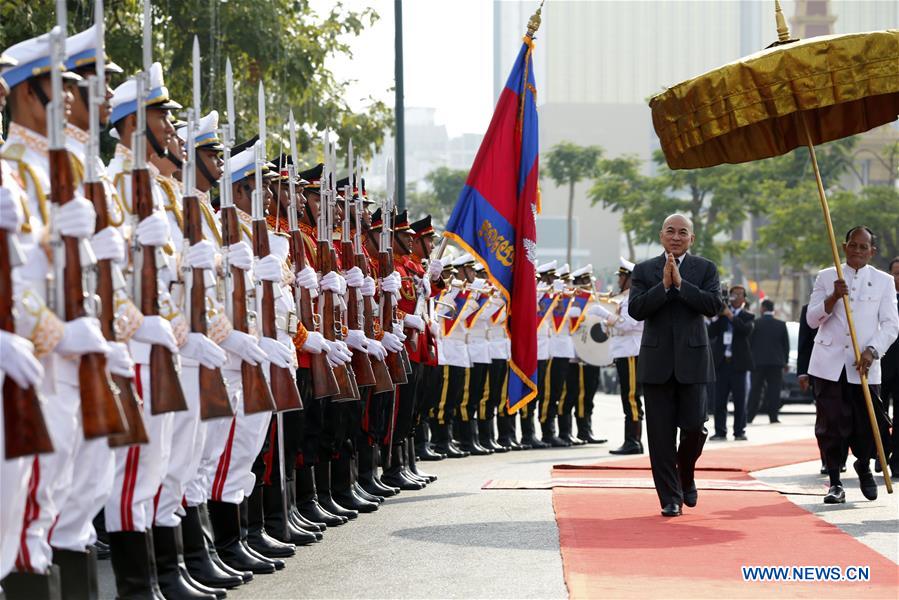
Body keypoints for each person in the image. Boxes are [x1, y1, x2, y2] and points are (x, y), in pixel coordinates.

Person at [628, 214, 723, 517]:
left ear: (691, 239)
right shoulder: (643, 270)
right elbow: (636, 309)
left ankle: (686, 475)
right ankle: (670, 498)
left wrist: (681, 286)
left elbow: (713, 306)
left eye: (683, 232)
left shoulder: (705, 268)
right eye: (671, 231)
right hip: (656, 363)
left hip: (693, 362)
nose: (676, 236)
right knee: (659, 434)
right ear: (661, 235)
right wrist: (664, 287)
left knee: (695, 427)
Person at [807, 226, 898, 504]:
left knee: (871, 426)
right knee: (831, 425)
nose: (857, 251)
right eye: (853, 245)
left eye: (864, 247)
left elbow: (891, 325)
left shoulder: (883, 282)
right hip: (828, 366)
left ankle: (864, 465)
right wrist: (833, 298)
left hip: (864, 367)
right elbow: (812, 320)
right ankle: (835, 482)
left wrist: (873, 350)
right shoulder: (826, 276)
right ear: (844, 246)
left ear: (873, 251)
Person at [590, 257, 644, 454]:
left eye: (621, 276)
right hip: (626, 351)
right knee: (629, 397)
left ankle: (633, 441)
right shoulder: (628, 298)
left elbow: (628, 324)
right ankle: (633, 440)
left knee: (631, 397)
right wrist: (607, 324)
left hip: (631, 352)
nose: (618, 281)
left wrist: (604, 315)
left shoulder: (633, 298)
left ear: (630, 278)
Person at [709, 285, 755, 441]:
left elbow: (745, 330)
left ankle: (739, 431)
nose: (736, 297)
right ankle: (720, 431)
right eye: (733, 294)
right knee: (719, 400)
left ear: (744, 298)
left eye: (739, 294)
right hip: (722, 364)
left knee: (740, 400)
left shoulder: (747, 315)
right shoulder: (722, 316)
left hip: (738, 365)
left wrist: (730, 316)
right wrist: (717, 315)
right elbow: (711, 332)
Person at [747, 299, 790, 424]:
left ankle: (750, 416)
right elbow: (785, 346)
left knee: (755, 390)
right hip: (776, 363)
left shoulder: (755, 323)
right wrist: (785, 362)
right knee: (774, 390)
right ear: (773, 309)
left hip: (758, 362)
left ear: (763, 309)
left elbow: (749, 343)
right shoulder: (781, 325)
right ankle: (773, 417)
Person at [882, 257, 899, 476]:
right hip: (881, 364)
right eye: (895, 273)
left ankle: (897, 461)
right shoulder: (881, 298)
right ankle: (882, 451)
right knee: (879, 413)